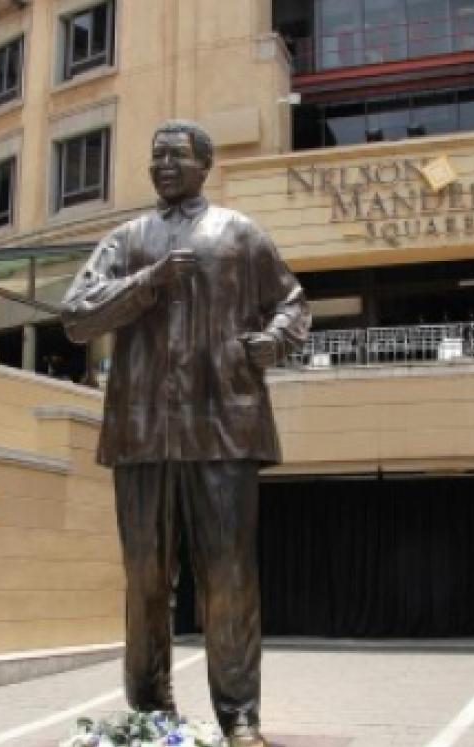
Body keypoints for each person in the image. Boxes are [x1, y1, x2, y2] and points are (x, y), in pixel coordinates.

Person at [61, 120, 309, 747]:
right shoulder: (126, 239)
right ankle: (150, 707)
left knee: (229, 576)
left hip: (225, 425)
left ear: (205, 164)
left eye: (177, 155)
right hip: (142, 431)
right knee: (144, 576)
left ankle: (239, 717)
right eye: (155, 156)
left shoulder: (240, 234)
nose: (164, 164)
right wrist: (149, 283)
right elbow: (76, 316)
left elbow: (293, 302)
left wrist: (273, 341)